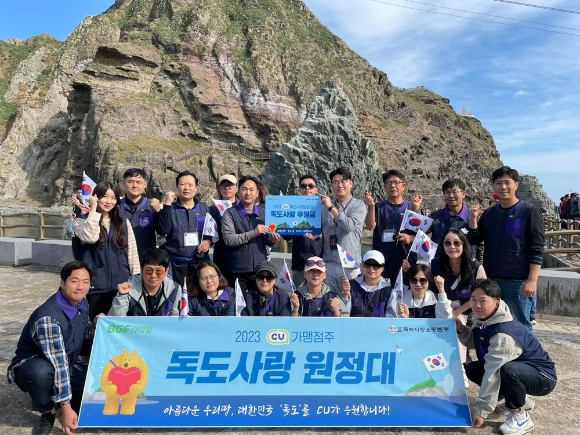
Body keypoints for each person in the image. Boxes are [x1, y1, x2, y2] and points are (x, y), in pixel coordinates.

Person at [456, 279, 556, 433]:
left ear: (496, 303)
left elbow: (492, 371)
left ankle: (521, 417)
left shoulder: (504, 333)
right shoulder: (485, 318)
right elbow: (478, 342)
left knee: (508, 370)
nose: (476, 305)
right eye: (473, 299)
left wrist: (482, 410)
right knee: (473, 368)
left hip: (543, 377)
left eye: (483, 301)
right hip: (520, 370)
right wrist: (462, 330)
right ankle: (519, 400)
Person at [7, 261, 94, 435]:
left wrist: (96, 326)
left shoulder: (82, 303)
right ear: (62, 283)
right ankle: (48, 411)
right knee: (40, 373)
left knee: (91, 398)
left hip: (66, 364)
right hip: (37, 365)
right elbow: (59, 363)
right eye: (74, 281)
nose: (81, 286)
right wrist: (66, 408)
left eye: (85, 281)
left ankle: (45, 395)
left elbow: (84, 336)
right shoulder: (48, 317)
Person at [467, 166, 545, 332]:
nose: (503, 187)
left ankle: (523, 357)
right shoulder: (489, 214)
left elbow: (537, 248)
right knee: (492, 321)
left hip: (517, 281)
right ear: (494, 187)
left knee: (519, 324)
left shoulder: (530, 211)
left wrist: (532, 280)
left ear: (516, 185)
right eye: (498, 183)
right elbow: (474, 238)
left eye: (507, 182)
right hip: (491, 279)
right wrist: (473, 219)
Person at [72, 182, 140, 321]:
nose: (109, 201)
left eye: (113, 197)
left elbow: (132, 254)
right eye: (104, 197)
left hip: (122, 285)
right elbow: (91, 237)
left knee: (121, 327)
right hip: (97, 286)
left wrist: (136, 281)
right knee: (99, 326)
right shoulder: (80, 221)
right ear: (95, 197)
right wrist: (93, 210)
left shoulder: (122, 222)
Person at [222, 175, 281, 292]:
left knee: (258, 306)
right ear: (238, 191)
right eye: (244, 189)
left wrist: (272, 240)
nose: (248, 193)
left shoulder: (264, 213)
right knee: (238, 306)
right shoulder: (229, 213)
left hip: (260, 271)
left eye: (251, 190)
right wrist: (253, 232)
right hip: (237, 270)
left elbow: (267, 240)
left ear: (257, 193)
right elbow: (229, 239)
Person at [364, 170, 422, 287]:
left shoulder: (411, 207)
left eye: (396, 182)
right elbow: (370, 227)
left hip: (405, 260)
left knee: (405, 292)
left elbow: (421, 235)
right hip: (381, 260)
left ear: (403, 186)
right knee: (382, 293)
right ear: (384, 187)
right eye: (389, 183)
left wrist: (410, 238)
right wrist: (371, 207)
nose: (393, 186)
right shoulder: (378, 207)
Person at [156, 171, 212, 288]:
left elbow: (212, 232)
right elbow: (163, 230)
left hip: (200, 264)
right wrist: (166, 204)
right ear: (177, 187)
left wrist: (208, 241)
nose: (186, 188)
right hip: (176, 265)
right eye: (182, 184)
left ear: (196, 188)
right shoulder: (170, 209)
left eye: (190, 185)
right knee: (177, 300)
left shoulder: (204, 208)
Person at [320, 168, 366, 292]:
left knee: (349, 303)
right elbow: (319, 230)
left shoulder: (359, 206)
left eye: (343, 181)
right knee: (329, 304)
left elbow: (349, 225)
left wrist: (330, 207)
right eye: (335, 182)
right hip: (328, 264)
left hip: (349, 266)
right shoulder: (323, 207)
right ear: (331, 185)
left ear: (350, 183)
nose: (339, 185)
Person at [108, 248, 181, 317]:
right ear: (141, 270)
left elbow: (175, 321)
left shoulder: (175, 289)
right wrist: (122, 296)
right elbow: (115, 320)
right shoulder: (127, 289)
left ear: (166, 271)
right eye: (148, 271)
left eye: (159, 271)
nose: (153, 275)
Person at [284, 174, 323, 287]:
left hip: (318, 261)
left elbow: (330, 231)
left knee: (317, 297)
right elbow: (287, 237)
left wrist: (319, 235)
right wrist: (279, 225)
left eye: (310, 186)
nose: (307, 188)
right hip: (298, 262)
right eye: (304, 186)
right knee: (299, 297)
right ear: (300, 189)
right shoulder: (292, 209)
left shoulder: (324, 208)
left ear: (316, 189)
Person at [342, 250, 397, 317]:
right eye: (368, 264)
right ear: (363, 265)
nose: (371, 268)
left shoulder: (389, 291)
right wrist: (345, 295)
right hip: (355, 326)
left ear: (382, 268)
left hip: (378, 327)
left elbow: (391, 319)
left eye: (376, 265)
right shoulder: (351, 286)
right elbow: (344, 316)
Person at [120, 168, 161, 259]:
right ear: (123, 183)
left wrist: (158, 212)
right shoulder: (116, 206)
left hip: (146, 258)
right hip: (121, 257)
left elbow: (162, 230)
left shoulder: (151, 206)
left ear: (145, 185)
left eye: (139, 182)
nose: (135, 185)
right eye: (131, 182)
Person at [429, 178, 473, 258]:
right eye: (447, 192)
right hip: (440, 265)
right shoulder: (435, 216)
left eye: (455, 192)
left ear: (463, 194)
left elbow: (480, 244)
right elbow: (420, 232)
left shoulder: (473, 217)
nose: (451, 195)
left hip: (466, 265)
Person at [209, 174, 239, 280]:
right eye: (224, 185)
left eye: (230, 185)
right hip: (220, 255)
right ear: (219, 189)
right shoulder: (212, 209)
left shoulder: (243, 208)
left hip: (239, 256)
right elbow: (209, 232)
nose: (227, 188)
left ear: (236, 188)